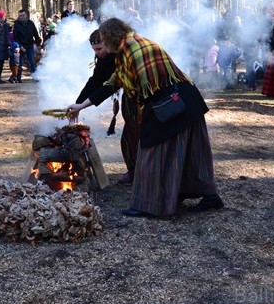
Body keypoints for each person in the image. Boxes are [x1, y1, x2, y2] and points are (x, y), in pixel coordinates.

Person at [67, 18, 224, 218]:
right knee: (192, 151)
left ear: (112, 37)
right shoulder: (128, 47)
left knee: (151, 152)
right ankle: (206, 195)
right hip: (180, 101)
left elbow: (147, 87)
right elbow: (113, 82)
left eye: (104, 41)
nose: (103, 46)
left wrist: (144, 119)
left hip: (173, 102)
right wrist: (81, 105)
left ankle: (150, 205)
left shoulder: (134, 49)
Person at [73, 30, 137, 184]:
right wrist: (79, 104)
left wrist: (83, 105)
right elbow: (96, 80)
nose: (98, 53)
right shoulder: (102, 59)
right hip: (129, 95)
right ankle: (134, 170)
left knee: (136, 135)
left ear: (108, 43)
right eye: (95, 50)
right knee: (129, 136)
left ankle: (140, 172)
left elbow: (111, 86)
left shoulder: (122, 54)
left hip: (140, 95)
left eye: (99, 49)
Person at [12, 9, 42, 82]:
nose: (22, 17)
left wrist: (38, 44)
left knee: (32, 62)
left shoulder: (30, 23)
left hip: (30, 45)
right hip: (21, 46)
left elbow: (35, 34)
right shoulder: (16, 24)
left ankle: (35, 77)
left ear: (26, 15)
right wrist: (20, 46)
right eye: (20, 16)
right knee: (20, 63)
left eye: (23, 15)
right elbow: (15, 37)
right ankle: (18, 78)